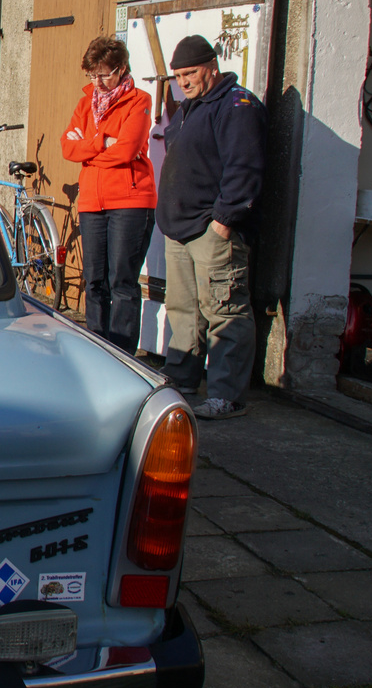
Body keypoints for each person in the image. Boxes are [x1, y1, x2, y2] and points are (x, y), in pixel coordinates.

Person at [157, 35, 266, 420]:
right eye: (178, 76)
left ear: (212, 66)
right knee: (183, 309)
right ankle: (182, 378)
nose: (183, 81)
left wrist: (223, 221)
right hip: (179, 228)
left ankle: (227, 395)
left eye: (190, 73)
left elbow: (245, 167)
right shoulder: (190, 107)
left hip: (211, 229)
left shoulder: (237, 105)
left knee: (225, 310)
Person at [60, 36, 156, 353]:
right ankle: (99, 349)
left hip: (130, 200)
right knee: (95, 281)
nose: (97, 82)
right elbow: (67, 146)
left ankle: (124, 355)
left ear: (121, 68)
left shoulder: (139, 101)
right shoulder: (86, 102)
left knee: (123, 283)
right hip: (92, 202)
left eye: (104, 74)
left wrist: (88, 149)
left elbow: (128, 149)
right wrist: (102, 142)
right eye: (92, 75)